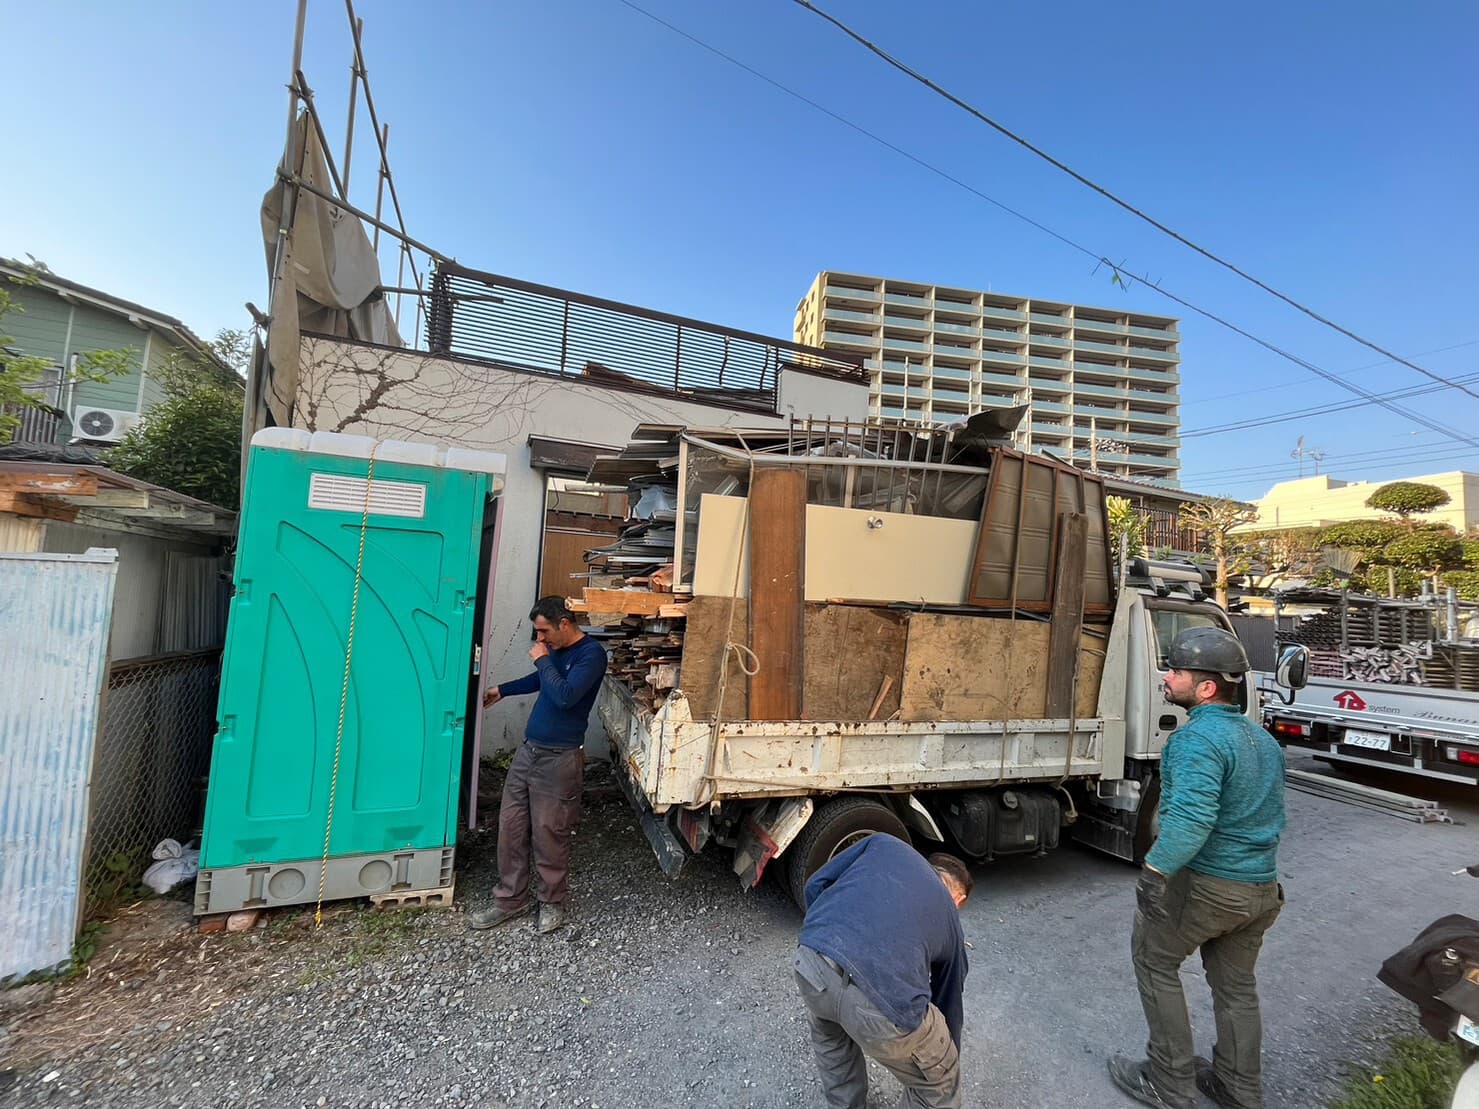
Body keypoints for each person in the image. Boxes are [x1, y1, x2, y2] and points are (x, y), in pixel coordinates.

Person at [1108, 626, 1287, 1109]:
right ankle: (1238, 1088)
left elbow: (1191, 820)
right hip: (1259, 888)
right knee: (1236, 988)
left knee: (1155, 961)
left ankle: (1169, 1083)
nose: (1167, 677)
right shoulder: (1262, 741)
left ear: (1206, 687)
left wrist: (1155, 872)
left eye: (1177, 671)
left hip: (1210, 886)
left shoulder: (1195, 740)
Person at [793, 833, 973, 1109]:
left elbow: (816, 883)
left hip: (812, 964)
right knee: (939, 1083)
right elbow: (948, 1001)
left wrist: (825, 935)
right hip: (880, 1005)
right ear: (958, 899)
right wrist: (941, 1060)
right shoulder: (950, 920)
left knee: (832, 1041)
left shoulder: (885, 844)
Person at [467, 596, 607, 936]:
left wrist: (543, 659)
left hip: (560, 758)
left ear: (564, 623)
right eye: (537, 632)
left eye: (544, 631)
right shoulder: (555, 651)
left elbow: (564, 696)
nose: (540, 639)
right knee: (511, 826)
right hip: (528, 751)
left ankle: (551, 901)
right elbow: (540, 680)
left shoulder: (591, 655)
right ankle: (510, 899)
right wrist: (502, 690)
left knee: (550, 832)